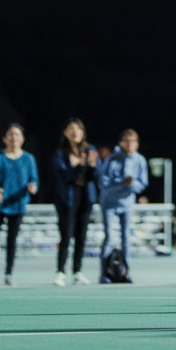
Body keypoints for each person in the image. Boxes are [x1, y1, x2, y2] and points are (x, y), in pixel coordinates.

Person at [0, 123, 38, 286]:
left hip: (18, 204)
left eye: (17, 134)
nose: (14, 137)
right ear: (5, 138)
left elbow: (34, 179)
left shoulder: (28, 158)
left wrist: (33, 186)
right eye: (10, 134)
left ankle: (9, 273)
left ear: (22, 139)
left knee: (12, 241)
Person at [52, 118, 100, 286]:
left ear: (83, 132)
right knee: (66, 235)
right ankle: (60, 272)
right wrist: (79, 165)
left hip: (86, 197)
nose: (75, 132)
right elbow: (65, 176)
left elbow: (97, 175)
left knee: (81, 236)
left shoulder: (90, 149)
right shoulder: (61, 153)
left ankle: (78, 271)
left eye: (78, 129)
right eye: (71, 129)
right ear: (65, 133)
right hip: (67, 198)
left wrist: (92, 166)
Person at [98, 129, 148, 275]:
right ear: (120, 143)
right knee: (108, 236)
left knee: (126, 237)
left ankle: (125, 271)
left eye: (133, 141)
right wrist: (122, 183)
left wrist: (131, 184)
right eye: (126, 140)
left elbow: (143, 183)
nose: (130, 144)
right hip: (109, 203)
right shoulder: (111, 159)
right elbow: (103, 183)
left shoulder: (140, 160)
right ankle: (104, 272)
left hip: (127, 204)